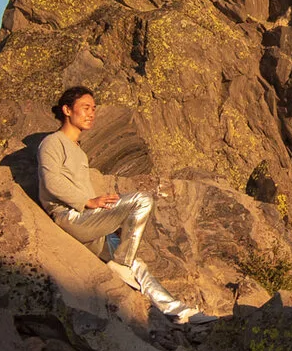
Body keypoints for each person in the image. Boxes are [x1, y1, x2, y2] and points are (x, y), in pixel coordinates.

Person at [39, 87, 209, 325]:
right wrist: (88, 202)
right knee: (142, 200)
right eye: (85, 108)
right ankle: (121, 263)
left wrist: (107, 219)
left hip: (89, 223)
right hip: (69, 216)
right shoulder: (52, 143)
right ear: (67, 110)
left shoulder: (79, 151)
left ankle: (180, 313)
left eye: (94, 109)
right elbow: (51, 182)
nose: (91, 114)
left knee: (138, 265)